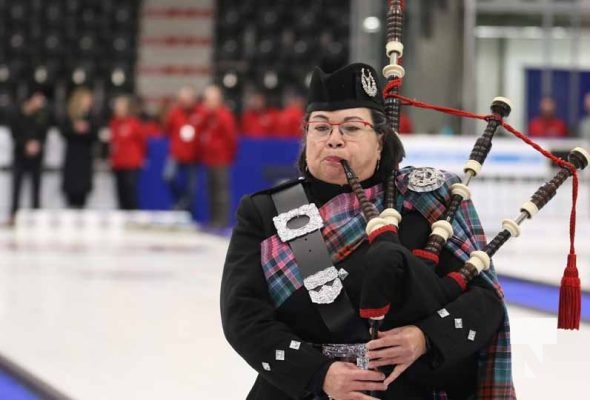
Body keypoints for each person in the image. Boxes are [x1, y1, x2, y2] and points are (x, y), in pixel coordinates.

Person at [221, 63, 513, 399]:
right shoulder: (266, 211)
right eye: (320, 127)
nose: (333, 140)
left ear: (381, 140)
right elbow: (243, 317)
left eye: (351, 128)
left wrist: (425, 337)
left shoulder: (426, 201)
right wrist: (321, 374)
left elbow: (484, 301)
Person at [193, 84, 237, 227]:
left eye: (211, 99)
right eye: (206, 99)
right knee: (211, 191)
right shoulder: (206, 116)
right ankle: (213, 220)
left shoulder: (224, 115)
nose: (208, 103)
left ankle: (222, 221)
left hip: (220, 159)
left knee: (220, 193)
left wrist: (227, 156)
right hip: (208, 159)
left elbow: (231, 138)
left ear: (218, 100)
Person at [8, 91, 52, 222]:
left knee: (36, 186)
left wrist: (37, 145)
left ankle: (36, 215)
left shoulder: (42, 115)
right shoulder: (17, 114)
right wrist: (26, 145)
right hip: (20, 155)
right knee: (17, 186)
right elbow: (15, 134)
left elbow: (44, 135)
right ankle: (13, 215)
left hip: (36, 156)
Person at [163, 86, 201, 212]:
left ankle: (184, 208)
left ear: (193, 99)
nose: (184, 101)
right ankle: (179, 203)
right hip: (176, 154)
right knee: (168, 177)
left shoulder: (200, 113)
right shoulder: (174, 113)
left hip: (194, 156)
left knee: (191, 188)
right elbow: (167, 130)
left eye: (187, 98)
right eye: (182, 99)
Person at [60, 87, 98, 209]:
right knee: (71, 193)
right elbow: (63, 131)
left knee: (83, 192)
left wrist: (86, 129)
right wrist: (74, 129)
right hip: (72, 157)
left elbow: (96, 134)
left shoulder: (93, 116)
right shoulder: (69, 115)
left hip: (85, 157)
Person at [108, 95, 147, 210]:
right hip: (118, 164)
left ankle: (134, 219)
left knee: (131, 194)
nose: (118, 109)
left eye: (121, 106)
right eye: (117, 106)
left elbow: (142, 142)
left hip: (131, 164)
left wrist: (141, 159)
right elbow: (113, 144)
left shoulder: (134, 124)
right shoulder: (113, 123)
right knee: (120, 195)